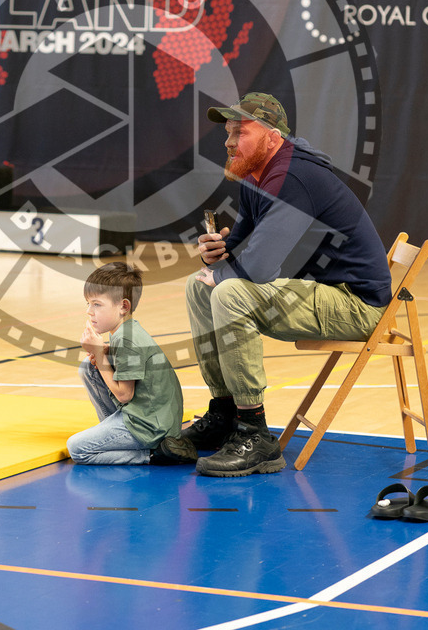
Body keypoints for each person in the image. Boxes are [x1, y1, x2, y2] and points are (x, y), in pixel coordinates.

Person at [182, 91, 392, 477]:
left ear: (271, 135)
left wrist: (224, 273)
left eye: (239, 132)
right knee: (200, 287)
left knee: (228, 292)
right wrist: (215, 252)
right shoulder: (257, 173)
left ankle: (255, 434)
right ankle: (226, 413)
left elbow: (259, 268)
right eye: (227, 132)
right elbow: (240, 248)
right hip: (320, 293)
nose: (228, 142)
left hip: (357, 306)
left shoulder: (294, 175)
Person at [66, 261, 198, 465]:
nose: (89, 311)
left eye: (97, 304)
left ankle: (154, 454)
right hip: (151, 417)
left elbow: (124, 395)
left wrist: (100, 356)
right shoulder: (125, 332)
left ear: (123, 306)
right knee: (88, 367)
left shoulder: (127, 339)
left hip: (151, 427)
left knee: (78, 449)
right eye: (88, 304)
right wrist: (102, 356)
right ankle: (115, 431)